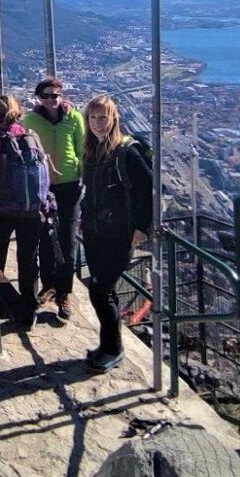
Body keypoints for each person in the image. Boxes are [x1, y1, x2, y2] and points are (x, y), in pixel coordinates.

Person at [80, 95, 152, 373]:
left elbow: (147, 190)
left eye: (103, 118)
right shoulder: (93, 150)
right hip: (95, 229)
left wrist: (141, 228)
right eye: (93, 118)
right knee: (101, 288)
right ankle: (108, 345)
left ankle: (113, 349)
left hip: (120, 233)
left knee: (101, 290)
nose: (98, 123)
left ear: (113, 119)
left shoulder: (127, 152)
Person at [0, 96, 51, 317]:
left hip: (2, 208)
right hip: (31, 208)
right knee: (28, 256)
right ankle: (29, 304)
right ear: (18, 112)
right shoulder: (31, 136)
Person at [21, 77, 86, 320]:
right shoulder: (30, 121)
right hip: (44, 187)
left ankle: (64, 292)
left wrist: (82, 175)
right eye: (46, 95)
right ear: (39, 98)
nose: (51, 100)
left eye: (55, 95)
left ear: (62, 96)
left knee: (67, 241)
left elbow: (82, 148)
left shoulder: (74, 118)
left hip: (70, 186)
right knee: (46, 239)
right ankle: (49, 285)